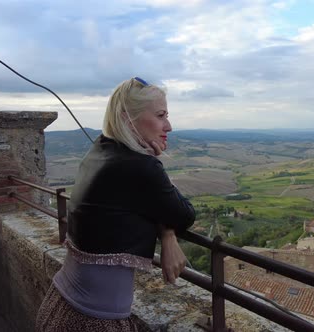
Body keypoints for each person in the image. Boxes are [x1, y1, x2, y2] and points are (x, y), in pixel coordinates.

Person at [36, 77, 196, 331]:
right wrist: (167, 230)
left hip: (59, 306)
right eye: (161, 115)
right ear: (127, 118)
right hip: (93, 321)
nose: (169, 125)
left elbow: (151, 202)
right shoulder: (141, 166)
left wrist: (167, 233)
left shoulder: (100, 150)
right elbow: (184, 215)